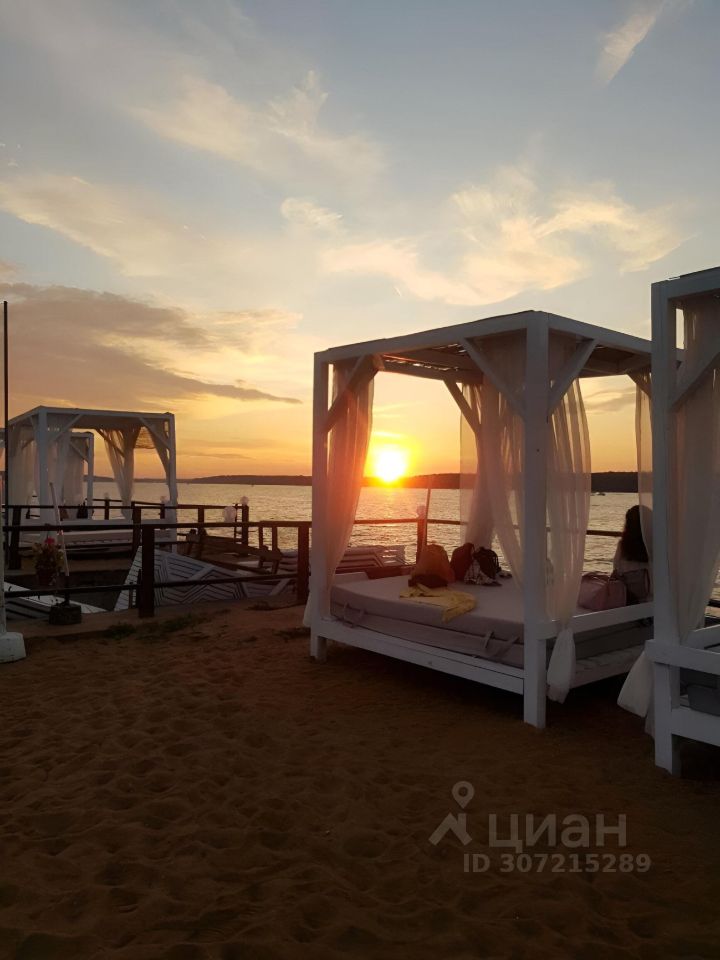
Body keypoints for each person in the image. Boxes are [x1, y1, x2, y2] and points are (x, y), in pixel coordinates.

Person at [613, 505, 651, 602]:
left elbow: (616, 568)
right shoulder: (655, 546)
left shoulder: (623, 545)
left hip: (628, 600)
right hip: (651, 601)